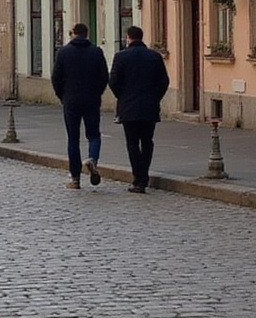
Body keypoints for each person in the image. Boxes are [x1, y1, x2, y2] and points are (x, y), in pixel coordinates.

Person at [108, 25, 170, 193]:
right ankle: (144, 175)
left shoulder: (121, 57)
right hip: (150, 106)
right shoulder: (154, 57)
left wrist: (122, 96)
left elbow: (113, 82)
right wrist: (155, 97)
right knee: (147, 142)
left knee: (132, 143)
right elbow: (164, 81)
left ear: (128, 37)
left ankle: (139, 179)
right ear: (142, 38)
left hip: (128, 108)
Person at [50, 22, 108, 189]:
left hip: (71, 100)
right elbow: (104, 76)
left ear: (73, 33)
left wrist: (62, 96)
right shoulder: (96, 52)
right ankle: (92, 159)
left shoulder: (64, 52)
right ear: (86, 34)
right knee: (94, 135)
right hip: (91, 99)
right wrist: (97, 93)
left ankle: (75, 179)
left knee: (73, 139)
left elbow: (56, 78)